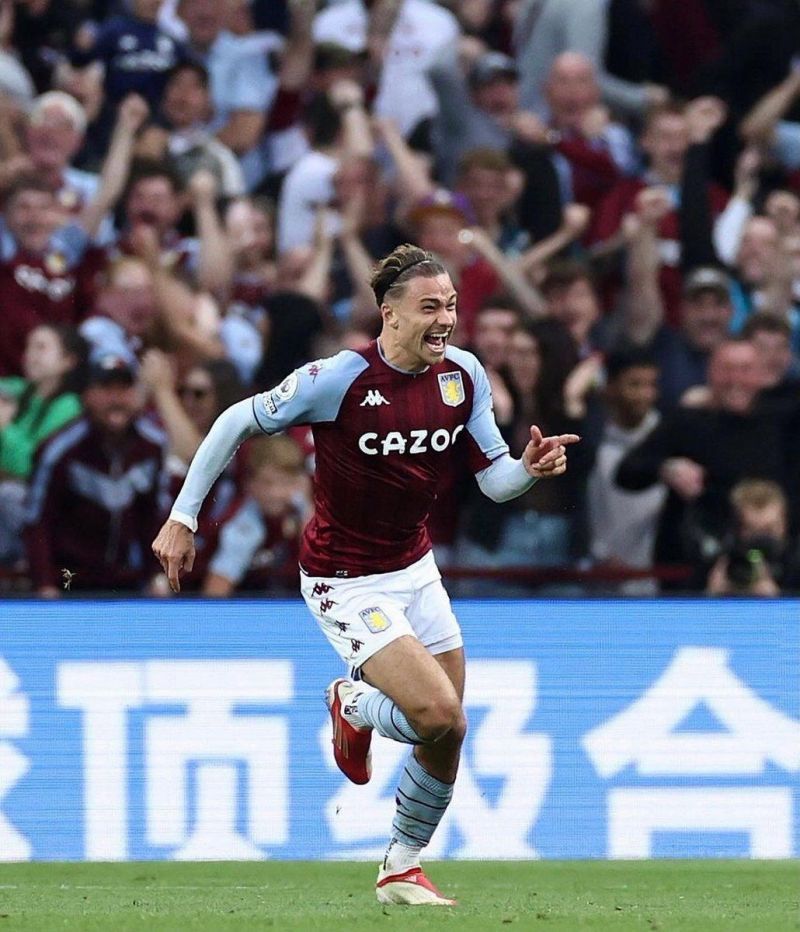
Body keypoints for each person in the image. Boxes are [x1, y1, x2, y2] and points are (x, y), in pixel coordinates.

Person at [152, 243, 579, 905]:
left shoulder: (463, 375)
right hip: (343, 578)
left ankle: (400, 868)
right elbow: (238, 418)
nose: (447, 319)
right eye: (431, 307)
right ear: (391, 315)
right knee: (440, 714)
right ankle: (351, 703)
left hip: (415, 567)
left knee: (446, 730)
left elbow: (493, 481)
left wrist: (528, 467)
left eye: (453, 306)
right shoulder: (339, 378)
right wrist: (184, 516)